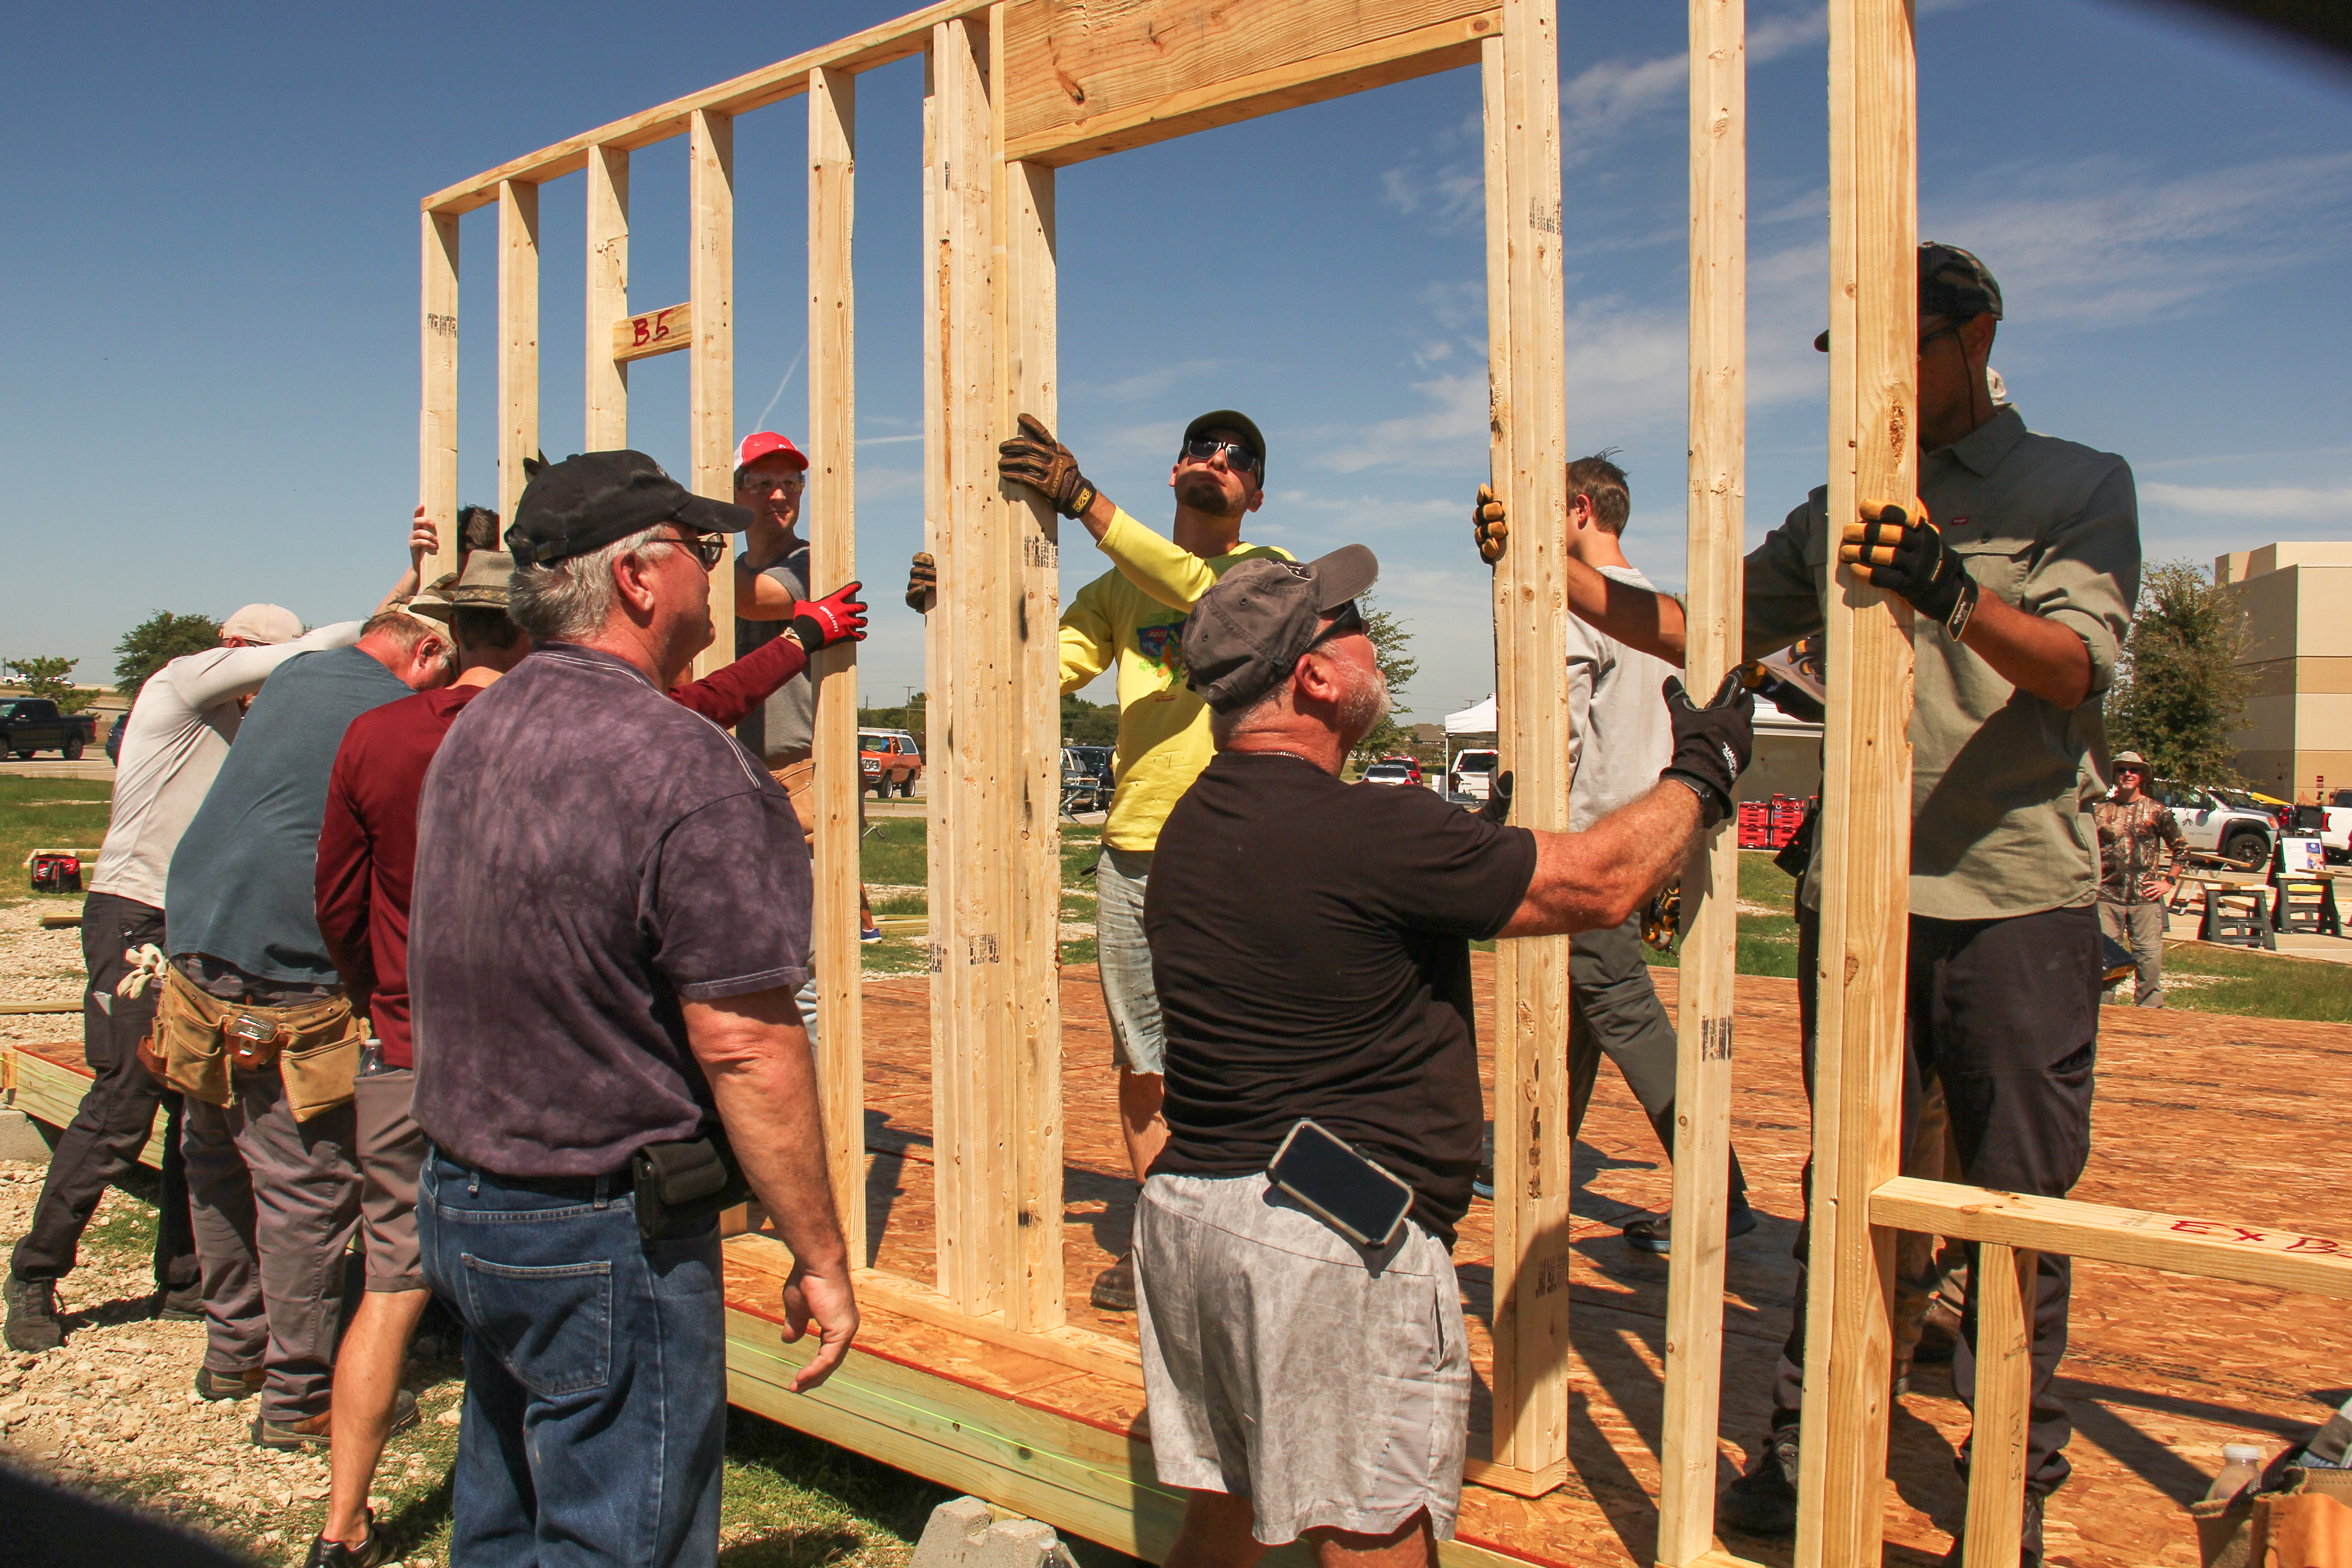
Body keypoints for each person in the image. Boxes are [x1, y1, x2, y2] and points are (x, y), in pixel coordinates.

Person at [1483, 242, 2139, 1566]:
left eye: (1904, 348)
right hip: (1862, 904)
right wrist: (1552, 575)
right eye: (1854, 359)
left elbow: (2081, 670)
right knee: (1847, 1181)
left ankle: (2007, 1469)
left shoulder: (2072, 485)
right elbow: (1702, 621)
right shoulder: (1842, 506)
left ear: (1976, 337)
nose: (1877, 381)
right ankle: (1805, 1434)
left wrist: (1953, 591)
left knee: (2014, 1197)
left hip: (2011, 896)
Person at [1136, 544, 1756, 1566]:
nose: (1368, 640)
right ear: (1315, 676)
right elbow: (1602, 884)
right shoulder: (1375, 829)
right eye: (1349, 626)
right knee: (1374, 1527)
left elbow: (1333, 904)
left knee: (1227, 1506)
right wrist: (1702, 770)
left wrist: (1462, 848)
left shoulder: (1196, 822)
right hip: (1325, 1243)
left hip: (1194, 1220)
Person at [304, 546, 864, 1568]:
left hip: (464, 1190)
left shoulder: (475, 730)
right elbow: (744, 1042)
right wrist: (818, 1251)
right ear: (642, 580)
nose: (717, 569)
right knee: (616, 1532)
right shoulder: (682, 758)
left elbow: (367, 917)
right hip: (599, 1223)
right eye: (702, 552)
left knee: (508, 1510)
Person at [907, 409, 1294, 1310]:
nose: (1218, 463)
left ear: (1257, 494)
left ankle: (1254, 1246)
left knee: (1246, 1054)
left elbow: (1204, 593)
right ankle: (1165, 1239)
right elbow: (1028, 667)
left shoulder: (1263, 572)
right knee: (1145, 1059)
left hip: (1236, 850)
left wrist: (1082, 500)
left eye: (1239, 458)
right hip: (1133, 855)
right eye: (1203, 448)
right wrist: (952, 607)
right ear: (1173, 472)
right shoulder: (1116, 593)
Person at [3, 606, 365, 1355]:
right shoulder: (181, 684)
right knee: (123, 1102)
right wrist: (397, 609)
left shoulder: (246, 729)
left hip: (196, 920)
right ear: (237, 652)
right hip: (134, 913)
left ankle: (186, 1280)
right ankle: (35, 1275)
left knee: (200, 1099)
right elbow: (321, 645)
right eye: (268, 668)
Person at [160, 609, 455, 1448]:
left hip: (197, 943)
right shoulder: (388, 716)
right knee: (306, 1187)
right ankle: (299, 1396)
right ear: (427, 650)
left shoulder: (292, 677)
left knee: (214, 1150)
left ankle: (234, 1349)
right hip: (284, 965)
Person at [1473, 451, 1755, 1254]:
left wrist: (1514, 837)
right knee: (1581, 1013)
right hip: (1651, 836)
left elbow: (1552, 734)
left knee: (1619, 1005)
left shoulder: (1573, 607)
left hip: (1586, 845)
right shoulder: (1655, 608)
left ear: (1576, 511)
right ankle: (1536, 1155)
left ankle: (1718, 1190)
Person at [731, 430, 884, 953]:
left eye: (790, 483)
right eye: (762, 483)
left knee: (810, 968)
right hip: (736, 777)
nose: (779, 495)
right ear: (735, 493)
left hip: (802, 781)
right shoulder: (722, 576)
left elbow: (754, 601)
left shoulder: (814, 565)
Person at [2093, 751, 2183, 1007]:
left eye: (2134, 770)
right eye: (2122, 770)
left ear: (2142, 776)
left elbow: (2182, 849)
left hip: (2145, 898)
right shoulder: (2099, 811)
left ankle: (2150, 1012)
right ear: (2115, 775)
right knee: (2105, 959)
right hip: (2106, 897)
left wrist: (2169, 881)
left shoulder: (2157, 811)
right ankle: (2103, 1012)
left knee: (2149, 958)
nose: (2128, 774)